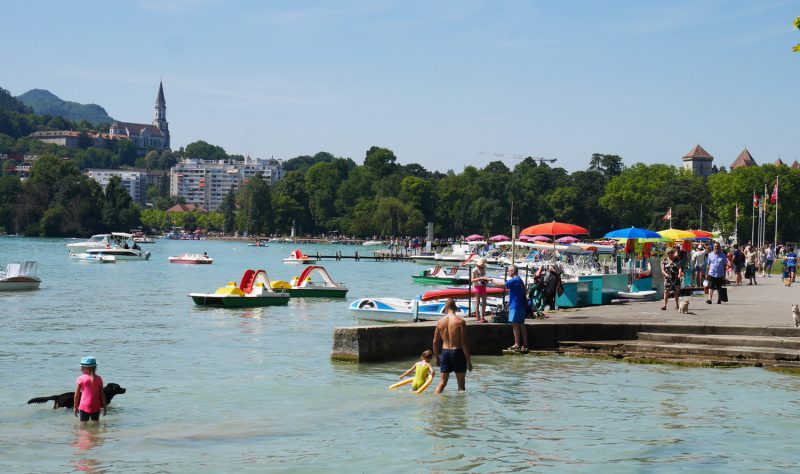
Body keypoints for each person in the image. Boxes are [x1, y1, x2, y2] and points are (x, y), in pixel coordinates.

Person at [432, 299, 472, 393]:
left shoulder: (440, 322)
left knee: (442, 383)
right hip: (457, 352)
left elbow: (435, 342)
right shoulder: (460, 321)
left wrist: (437, 357)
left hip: (445, 353)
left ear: (445, 308)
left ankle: (434, 399)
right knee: (461, 386)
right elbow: (464, 343)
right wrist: (468, 360)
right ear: (455, 308)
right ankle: (460, 407)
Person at [491, 265, 528, 351]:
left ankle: (517, 344)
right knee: (521, 325)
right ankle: (525, 344)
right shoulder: (519, 279)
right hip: (521, 305)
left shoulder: (514, 280)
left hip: (515, 307)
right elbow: (526, 291)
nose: (507, 272)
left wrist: (491, 280)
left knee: (515, 325)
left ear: (512, 271)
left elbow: (501, 285)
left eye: (508, 271)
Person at [73, 356, 107, 422]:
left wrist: (75, 407)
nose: (80, 369)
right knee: (96, 424)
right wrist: (105, 408)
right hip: (96, 405)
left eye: (81, 367)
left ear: (86, 368)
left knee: (83, 425)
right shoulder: (99, 379)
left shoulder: (81, 378)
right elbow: (102, 394)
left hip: (84, 405)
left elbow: (76, 395)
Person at [471, 258, 489, 323]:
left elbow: (484, 277)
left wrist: (486, 280)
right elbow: (472, 280)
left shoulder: (483, 269)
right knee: (478, 302)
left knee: (484, 302)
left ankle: (482, 317)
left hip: (483, 286)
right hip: (477, 286)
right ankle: (477, 317)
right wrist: (480, 278)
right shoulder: (474, 270)